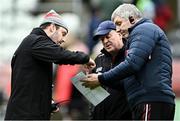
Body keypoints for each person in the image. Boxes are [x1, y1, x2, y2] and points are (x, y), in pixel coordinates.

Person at [81, 3, 175, 120]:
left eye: (119, 24)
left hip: (150, 98)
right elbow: (126, 81)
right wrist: (99, 80)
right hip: (147, 99)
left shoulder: (143, 28)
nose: (118, 29)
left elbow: (132, 64)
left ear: (132, 19)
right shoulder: (138, 35)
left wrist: (101, 78)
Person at [4, 10, 95, 120]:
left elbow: (30, 87)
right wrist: (84, 58)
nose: (63, 40)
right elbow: (59, 55)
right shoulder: (36, 41)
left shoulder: (35, 45)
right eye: (63, 33)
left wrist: (46, 104)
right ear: (52, 27)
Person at [89, 20, 132, 120]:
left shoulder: (131, 56)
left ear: (119, 34)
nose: (105, 41)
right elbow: (93, 97)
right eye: (102, 39)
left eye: (108, 36)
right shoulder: (98, 59)